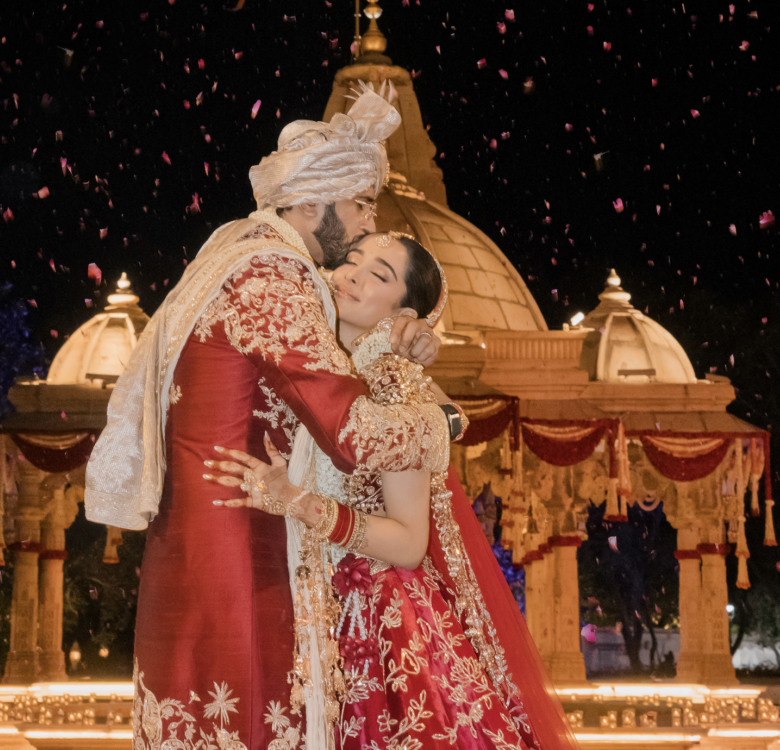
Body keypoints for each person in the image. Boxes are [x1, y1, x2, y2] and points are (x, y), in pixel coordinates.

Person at [84, 85, 469, 750]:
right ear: (313, 202)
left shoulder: (233, 254)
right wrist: (447, 422)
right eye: (360, 205)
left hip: (209, 541)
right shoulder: (272, 274)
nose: (368, 222)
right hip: (242, 552)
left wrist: (401, 345)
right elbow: (352, 434)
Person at [208, 232, 577, 750]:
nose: (352, 276)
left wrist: (301, 504)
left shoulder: (392, 385)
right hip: (302, 602)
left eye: (378, 276)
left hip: (374, 621)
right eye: (351, 261)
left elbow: (408, 542)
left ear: (405, 314)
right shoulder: (313, 365)